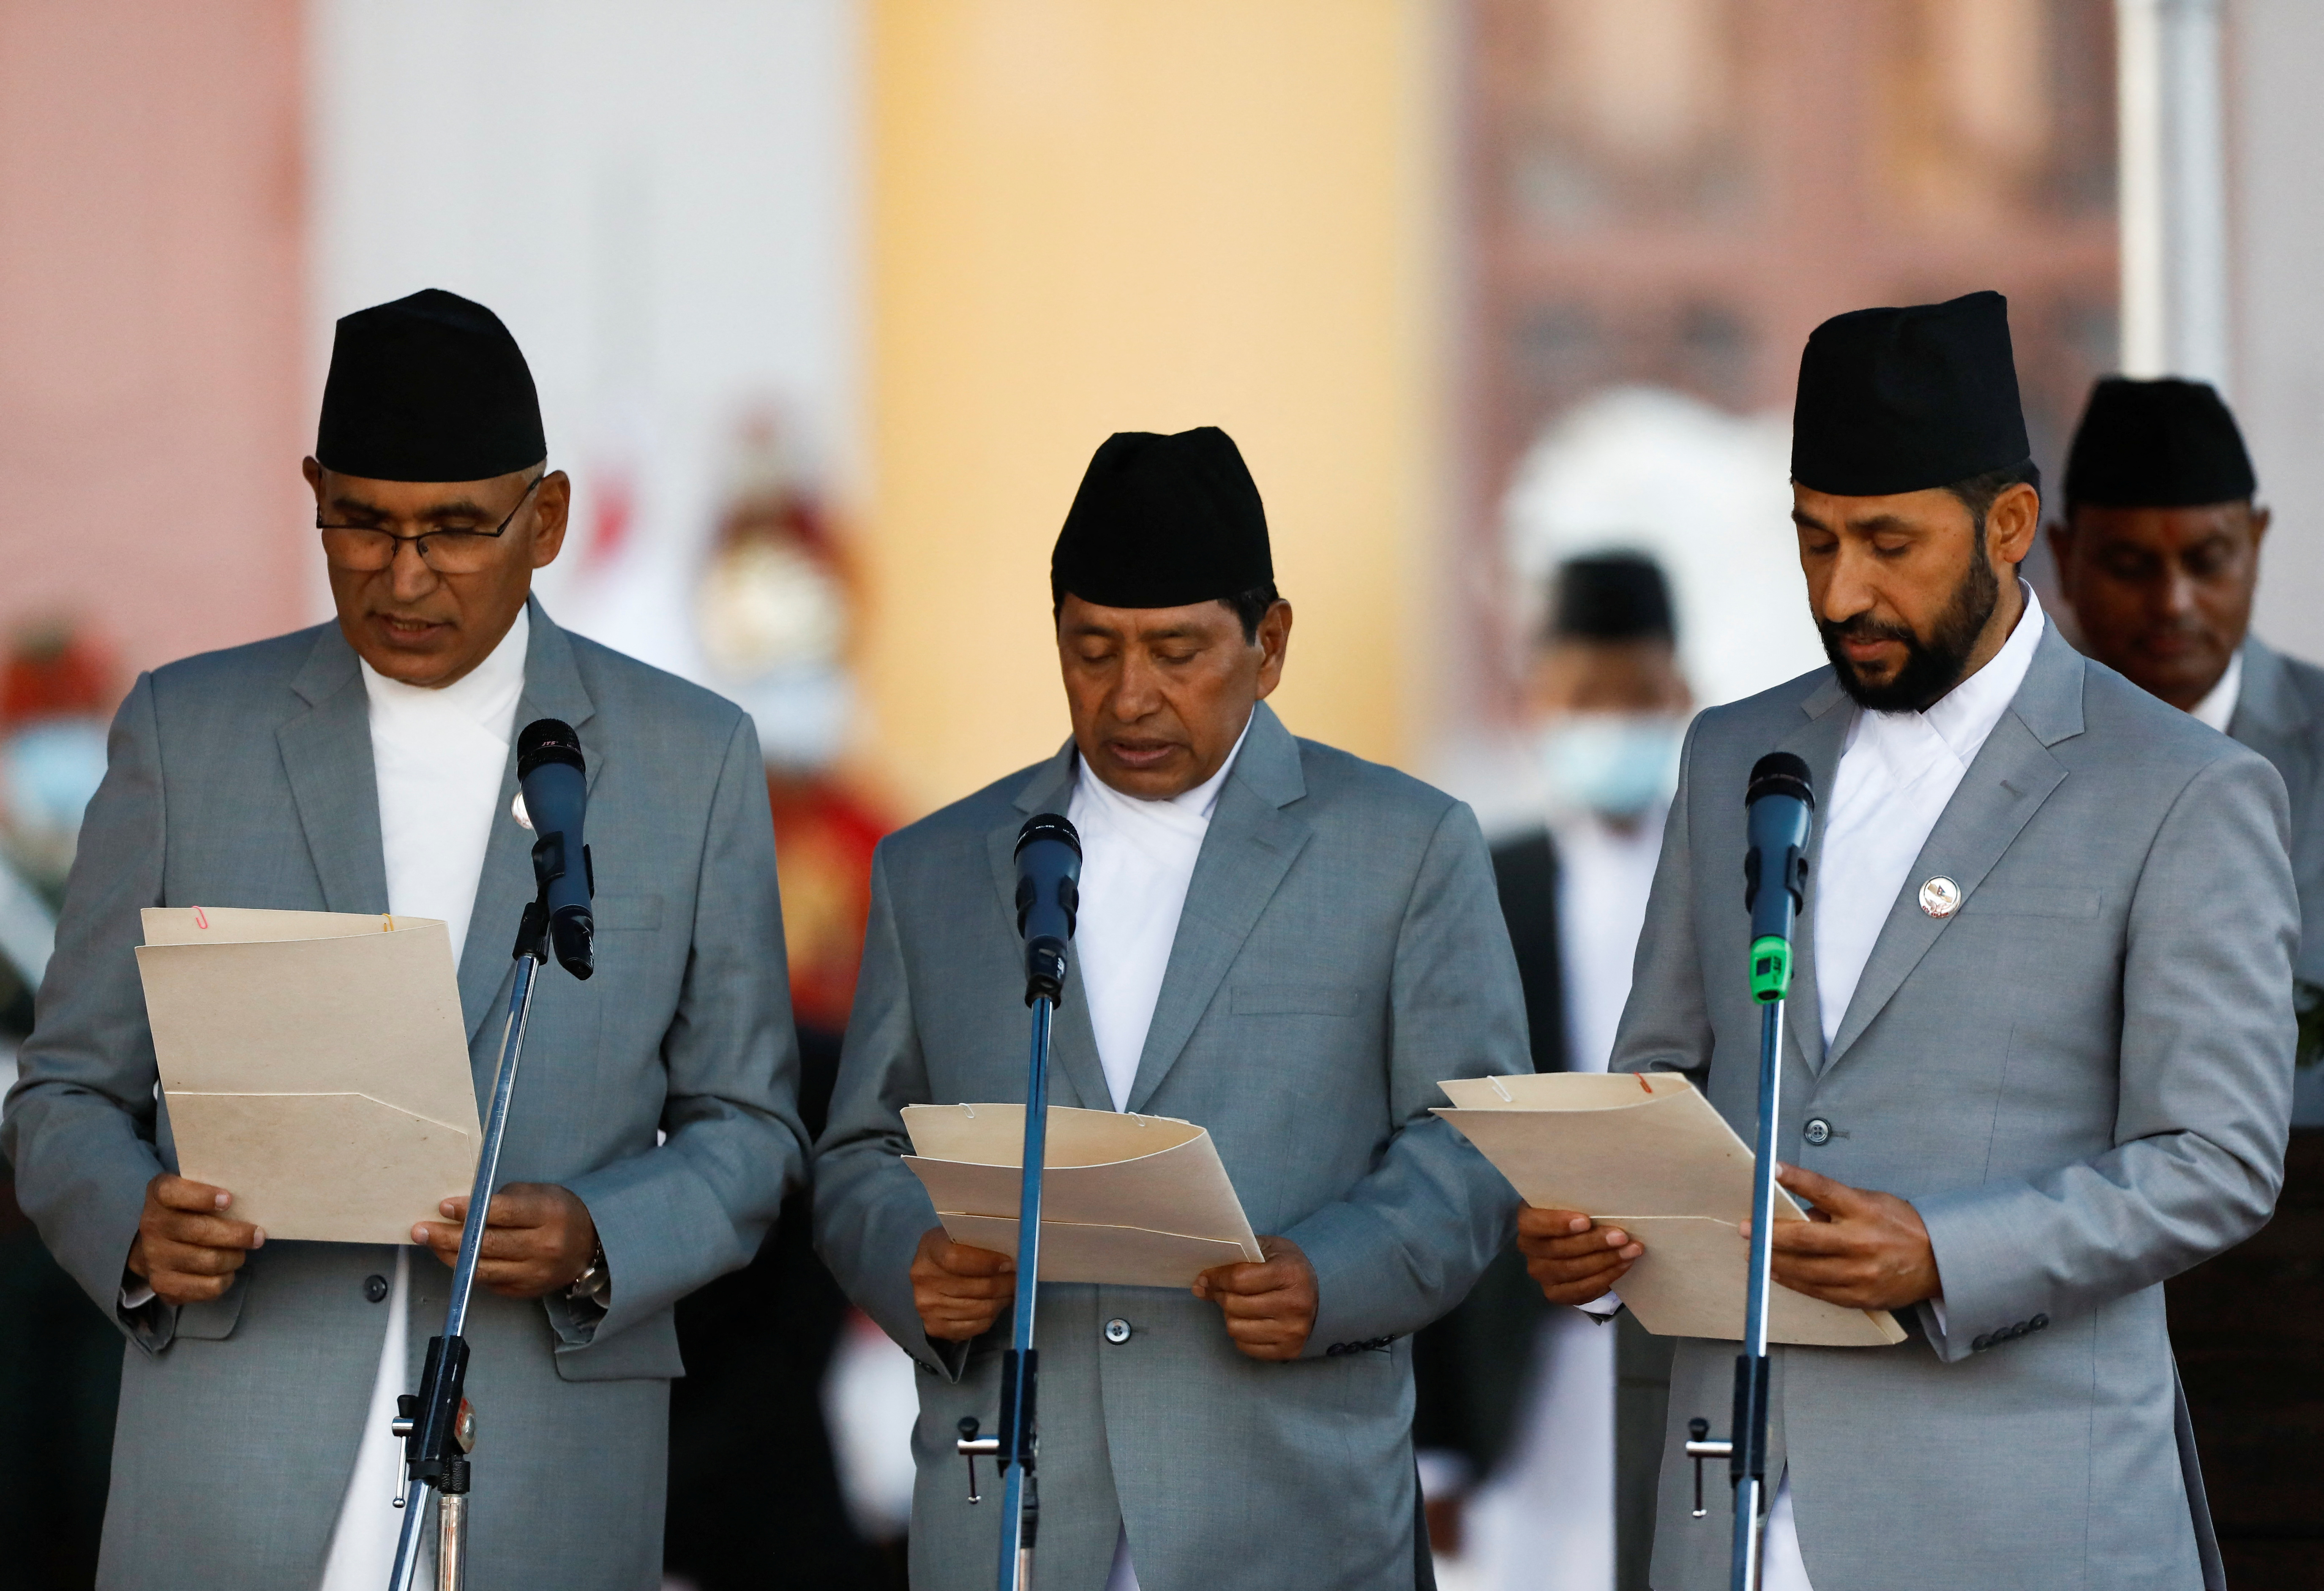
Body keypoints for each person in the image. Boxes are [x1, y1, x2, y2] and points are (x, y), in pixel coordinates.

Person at [0, 288, 806, 1591]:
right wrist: (135, 1227)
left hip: (546, 1467)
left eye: (454, 530)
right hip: (231, 1472)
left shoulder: (690, 757)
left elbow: (753, 1126)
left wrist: (604, 1231)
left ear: (543, 519)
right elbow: (65, 1091)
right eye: (361, 524)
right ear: (313, 490)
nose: (405, 573)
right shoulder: (185, 735)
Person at [1519, 292, 2297, 1590]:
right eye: (1813, 539)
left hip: (2022, 1521)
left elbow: (2214, 1156)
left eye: (1887, 541)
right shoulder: (1731, 756)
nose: (1842, 589)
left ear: (2006, 526)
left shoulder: (2174, 785)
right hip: (1734, 1506)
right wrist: (1592, 1239)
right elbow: (1653, 1083)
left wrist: (1947, 1251)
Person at [813, 427, 1530, 1591]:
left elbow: (1474, 1136)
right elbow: (858, 1150)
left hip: (1291, 1507)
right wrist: (912, 1259)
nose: (1131, 694)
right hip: (1016, 1515)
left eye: (1177, 650)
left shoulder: (1404, 846)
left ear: (1271, 641)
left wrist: (1330, 1271)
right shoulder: (935, 870)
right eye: (1091, 649)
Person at [1412, 552, 1687, 1591]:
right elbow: (1424, 1148)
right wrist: (1431, 1440)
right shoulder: (1476, 886)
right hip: (1518, 1366)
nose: (1609, 721)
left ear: (1681, 696)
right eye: (1585, 696)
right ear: (1534, 702)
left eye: (1635, 694)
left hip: (1691, 1334)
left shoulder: (1733, 884)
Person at [2049, 375, 2324, 1128]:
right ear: (2066, 558)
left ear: (2257, 542)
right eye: (2130, 567)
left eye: (2208, 561)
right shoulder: (1990, 753)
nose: (2173, 601)